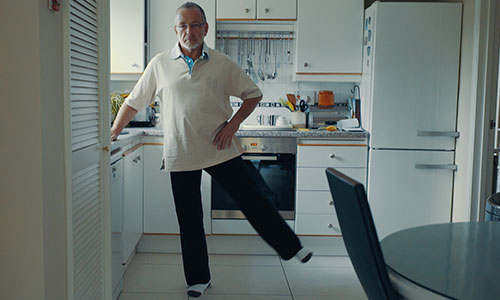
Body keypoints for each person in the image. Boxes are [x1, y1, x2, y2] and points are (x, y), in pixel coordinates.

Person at [111, 2, 312, 298]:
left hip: (221, 147)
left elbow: (253, 95)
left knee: (254, 199)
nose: (189, 31)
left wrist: (232, 126)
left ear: (206, 28)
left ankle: (290, 247)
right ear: (175, 29)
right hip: (181, 150)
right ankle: (198, 280)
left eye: (195, 25)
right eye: (183, 25)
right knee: (190, 219)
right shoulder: (160, 64)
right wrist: (114, 131)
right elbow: (133, 102)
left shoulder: (222, 63)